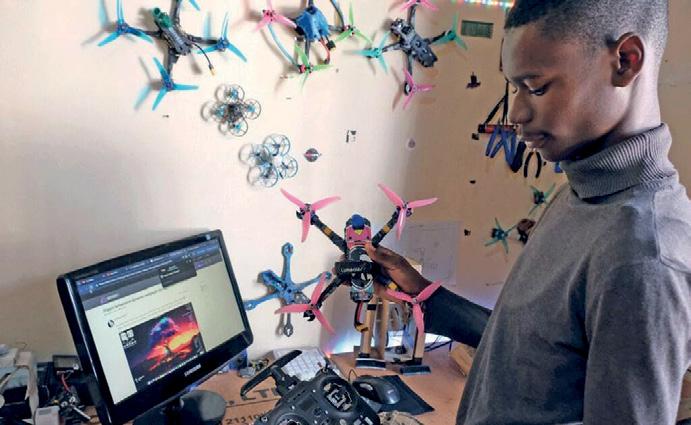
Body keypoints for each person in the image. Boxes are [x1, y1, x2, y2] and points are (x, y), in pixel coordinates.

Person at [365, 0, 691, 423]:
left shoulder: (643, 257)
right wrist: (425, 294)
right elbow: (536, 346)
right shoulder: (580, 193)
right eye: (514, 89)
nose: (516, 113)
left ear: (625, 62)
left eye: (536, 87)